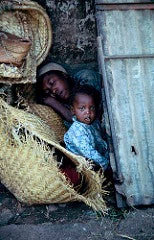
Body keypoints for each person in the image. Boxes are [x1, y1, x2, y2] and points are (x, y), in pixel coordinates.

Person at [36, 62, 102, 127]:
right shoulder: (64, 105)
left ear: (64, 75)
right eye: (48, 92)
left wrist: (54, 103)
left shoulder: (85, 78)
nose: (53, 91)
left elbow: (87, 119)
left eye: (52, 83)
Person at [64, 84, 109, 171]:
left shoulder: (93, 123)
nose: (88, 112)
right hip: (83, 167)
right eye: (82, 108)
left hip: (98, 161)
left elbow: (101, 141)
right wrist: (106, 164)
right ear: (73, 110)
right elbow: (90, 153)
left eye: (91, 108)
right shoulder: (75, 132)